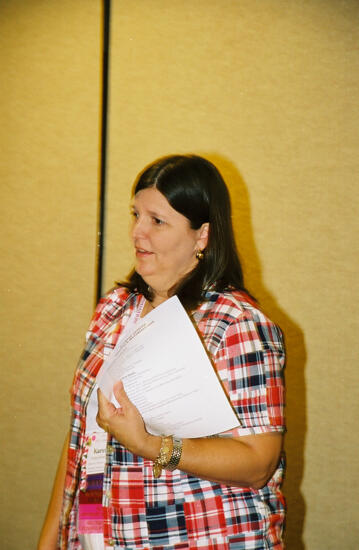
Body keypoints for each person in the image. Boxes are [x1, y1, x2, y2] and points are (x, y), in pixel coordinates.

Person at [38, 154, 286, 550]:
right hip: (98, 532)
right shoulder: (115, 309)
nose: (137, 232)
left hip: (204, 538)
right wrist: (51, 538)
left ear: (201, 235)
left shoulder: (235, 324)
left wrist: (150, 446)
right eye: (135, 214)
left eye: (157, 221)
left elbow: (259, 463)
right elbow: (81, 440)